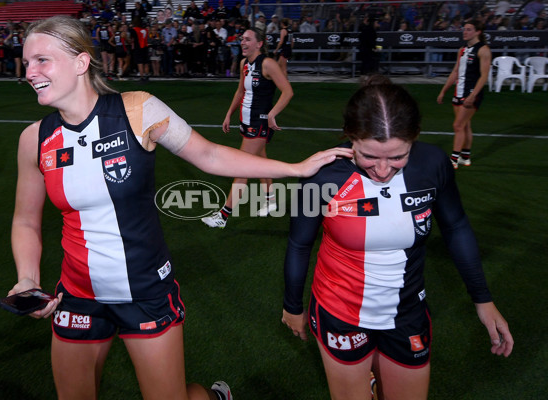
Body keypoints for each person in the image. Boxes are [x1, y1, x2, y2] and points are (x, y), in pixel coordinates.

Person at [8, 15, 350, 399]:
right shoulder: (34, 138)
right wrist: (27, 278)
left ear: (81, 63)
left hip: (147, 292)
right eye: (27, 62)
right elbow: (25, 221)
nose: (29, 72)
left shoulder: (137, 110)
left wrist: (295, 168)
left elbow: (209, 156)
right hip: (77, 293)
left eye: (41, 60)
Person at [281, 76, 514, 400]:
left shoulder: (432, 164)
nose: (382, 169)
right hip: (339, 312)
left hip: (408, 313)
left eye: (396, 157)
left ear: (414, 138)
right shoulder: (322, 175)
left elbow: (456, 227)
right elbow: (299, 243)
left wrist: (483, 300)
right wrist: (292, 306)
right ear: (351, 137)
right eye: (369, 156)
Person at [201, 28, 294, 228]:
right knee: (261, 160)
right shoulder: (244, 64)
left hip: (259, 124)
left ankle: (223, 216)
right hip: (246, 121)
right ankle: (270, 201)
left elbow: (287, 91)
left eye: (247, 39)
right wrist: (229, 114)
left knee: (241, 168)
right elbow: (240, 91)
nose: (242, 42)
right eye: (242, 39)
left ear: (259, 44)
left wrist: (272, 114)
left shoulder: (268, 64)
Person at [437, 20, 491, 169]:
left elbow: (484, 76)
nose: (464, 32)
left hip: (471, 93)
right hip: (459, 91)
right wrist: (444, 90)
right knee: (465, 125)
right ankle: (465, 157)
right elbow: (455, 72)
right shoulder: (462, 50)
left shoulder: (483, 50)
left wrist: (473, 95)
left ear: (477, 32)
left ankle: (453, 159)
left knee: (458, 125)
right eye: (464, 29)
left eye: (468, 29)